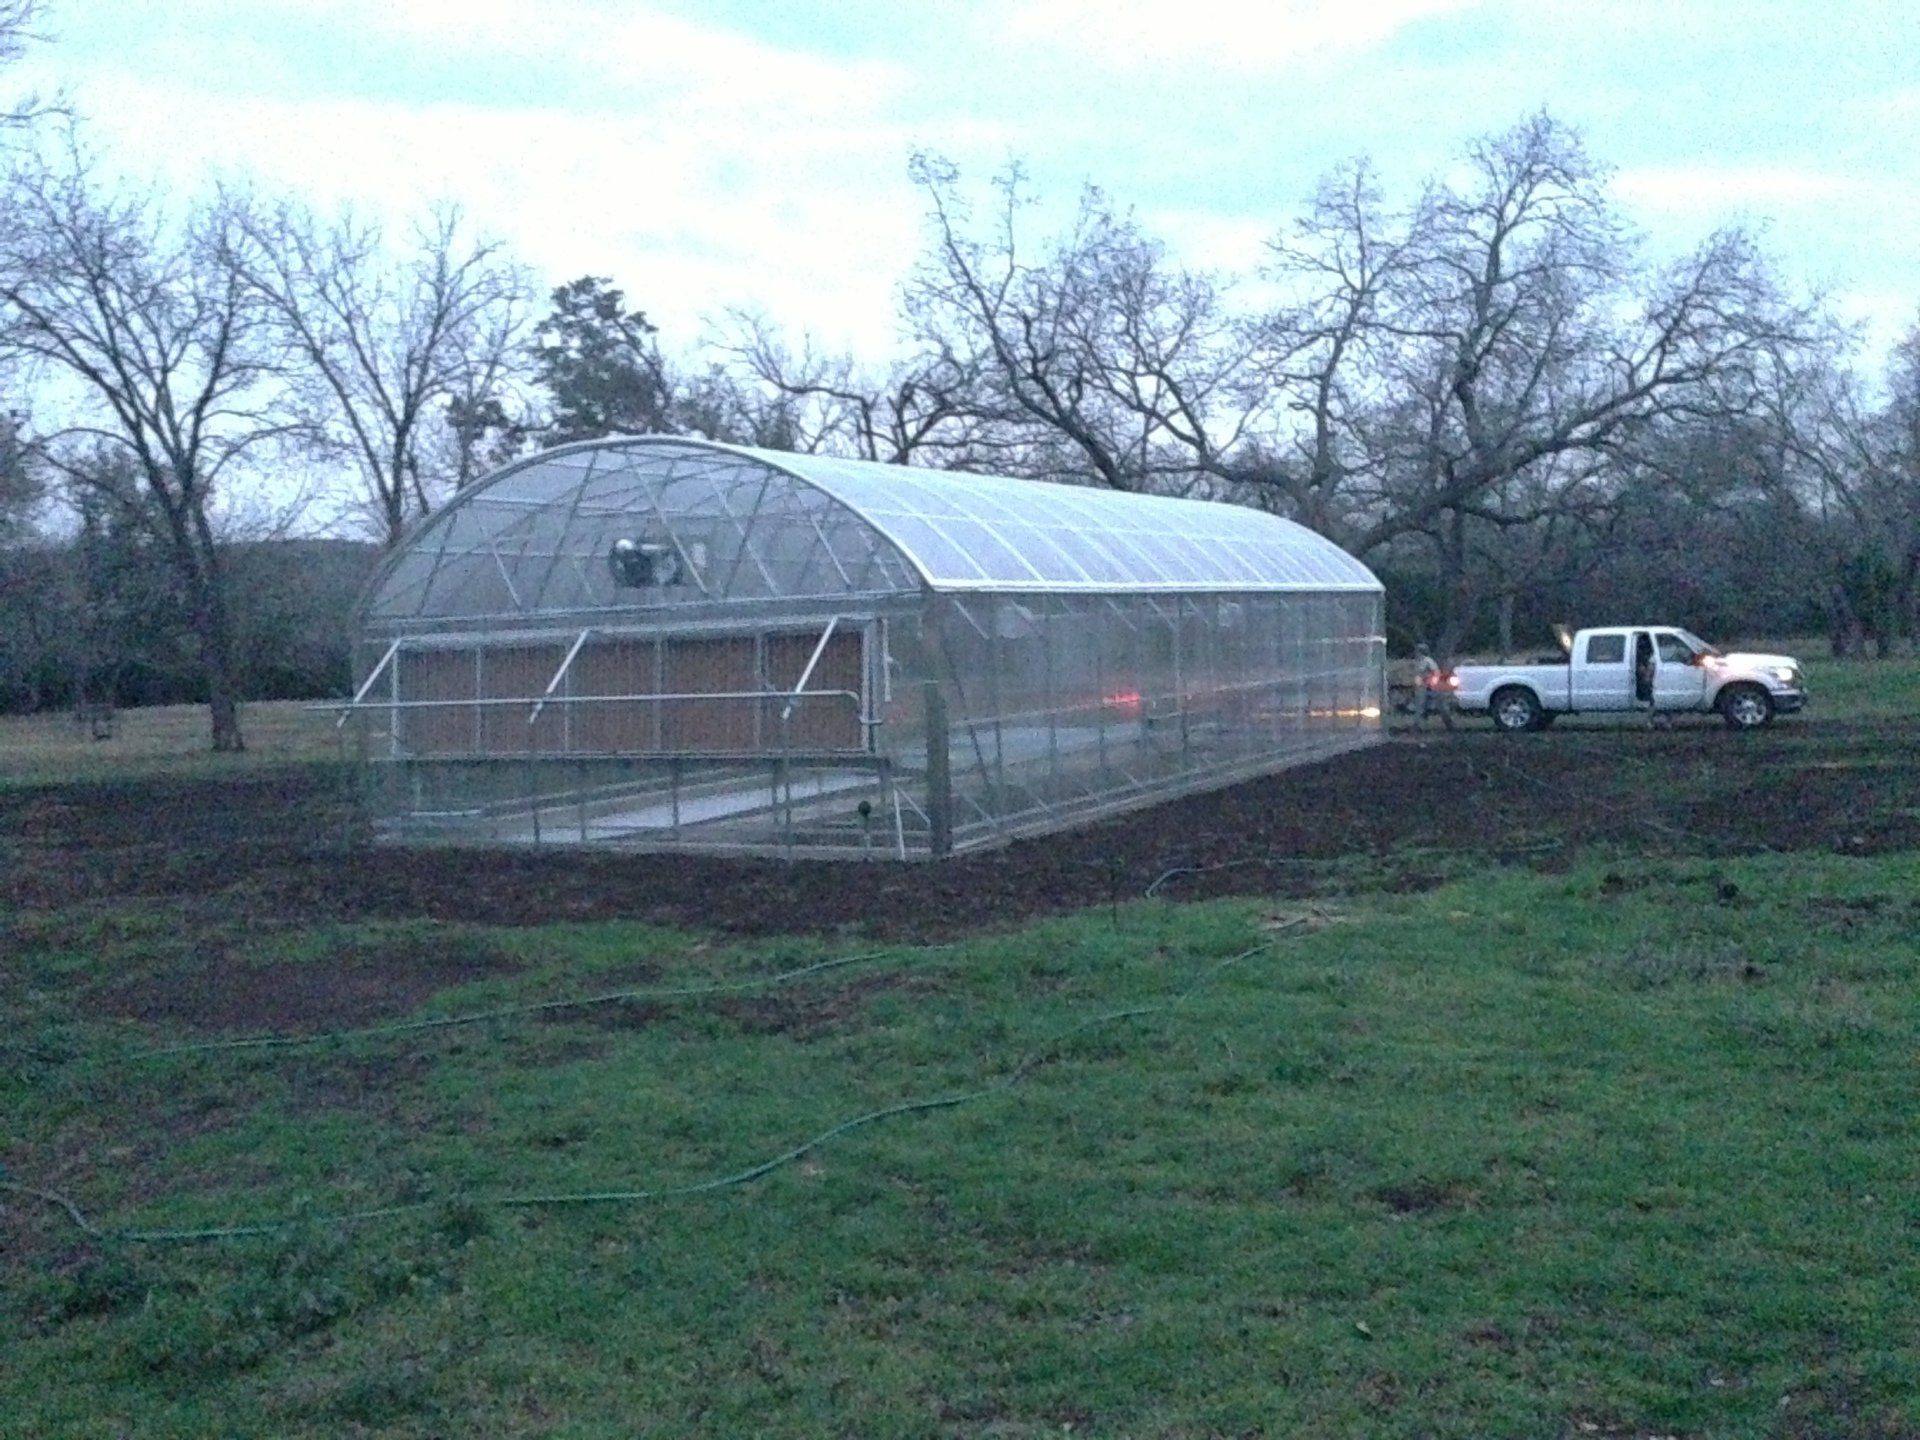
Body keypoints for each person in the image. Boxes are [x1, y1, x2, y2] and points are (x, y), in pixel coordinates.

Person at [1412, 640, 1453, 731]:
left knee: (1440, 706)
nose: (1415, 653)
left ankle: (1449, 725)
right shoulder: (1419, 662)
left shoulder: (1428, 661)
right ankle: (1417, 726)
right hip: (1423, 688)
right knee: (1420, 706)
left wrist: (1431, 682)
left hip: (1432, 687)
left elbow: (1436, 673)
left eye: (1417, 651)